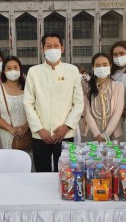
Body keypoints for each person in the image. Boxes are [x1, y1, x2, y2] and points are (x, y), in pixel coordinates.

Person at [23, 32, 83, 172]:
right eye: (48, 46)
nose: (52, 49)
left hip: (65, 133)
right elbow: (28, 103)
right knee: (42, 172)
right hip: (40, 135)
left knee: (65, 173)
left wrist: (66, 126)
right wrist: (39, 129)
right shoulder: (34, 72)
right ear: (42, 49)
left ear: (62, 48)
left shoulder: (72, 70)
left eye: (56, 46)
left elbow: (78, 103)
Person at [81, 53, 124, 143]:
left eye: (105, 65)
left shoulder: (118, 86)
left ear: (110, 66)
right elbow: (86, 112)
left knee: (113, 156)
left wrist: (106, 134)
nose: (101, 68)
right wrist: (97, 133)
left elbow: (118, 112)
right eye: (97, 65)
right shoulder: (86, 86)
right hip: (91, 133)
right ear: (93, 67)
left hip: (113, 133)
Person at [0, 56, 29, 148]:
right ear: (4, 71)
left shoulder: (29, 89)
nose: (13, 71)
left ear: (20, 69)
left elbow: (36, 111)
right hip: (5, 136)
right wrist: (10, 128)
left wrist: (26, 127)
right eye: (9, 68)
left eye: (16, 67)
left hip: (27, 136)